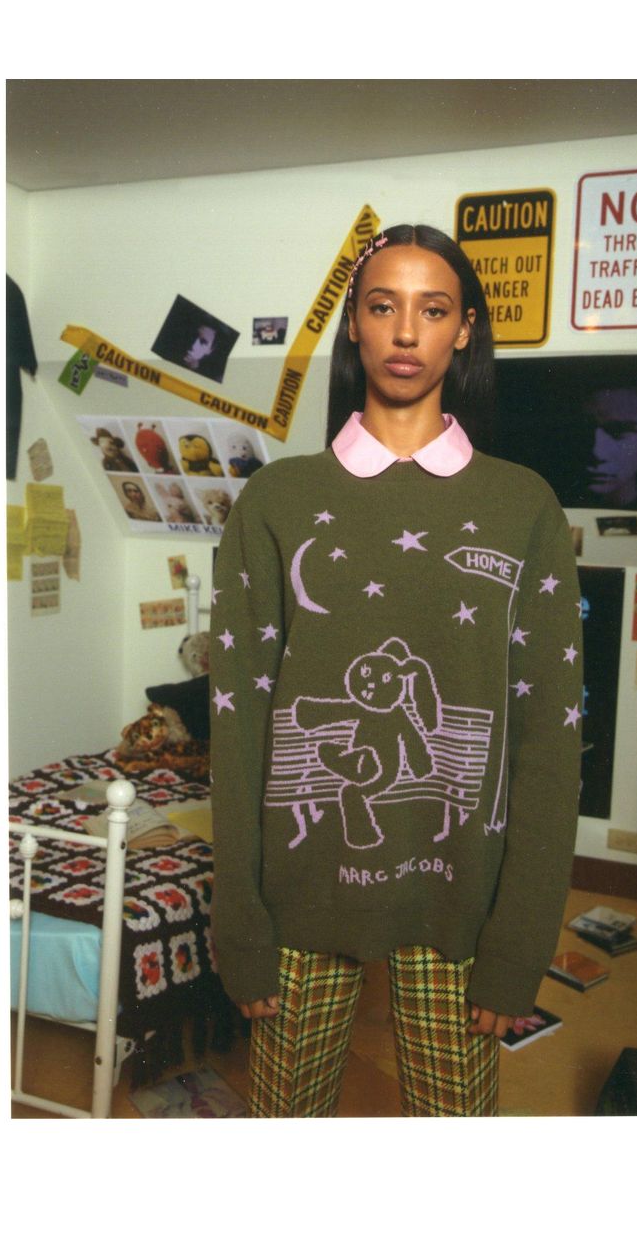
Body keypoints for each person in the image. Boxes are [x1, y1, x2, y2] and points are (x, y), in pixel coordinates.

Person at [209, 223, 583, 1118]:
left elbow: (548, 745)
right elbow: (238, 728)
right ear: (355, 327)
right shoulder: (277, 500)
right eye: (383, 306)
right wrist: (241, 927)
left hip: (461, 898)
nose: (406, 331)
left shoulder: (522, 504)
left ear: (465, 330)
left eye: (433, 309)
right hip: (299, 898)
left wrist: (519, 943)